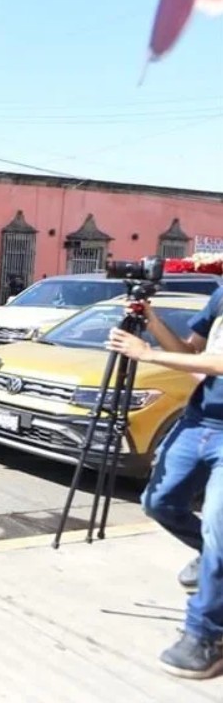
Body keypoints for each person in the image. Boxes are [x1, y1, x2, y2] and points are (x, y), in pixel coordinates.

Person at [107, 285, 223, 679]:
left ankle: (206, 634)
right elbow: (192, 352)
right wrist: (152, 321)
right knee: (159, 502)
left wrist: (147, 353)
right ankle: (210, 556)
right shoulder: (220, 296)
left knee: (219, 527)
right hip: (200, 420)